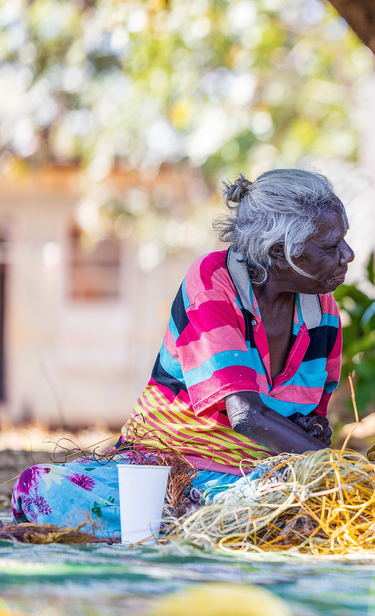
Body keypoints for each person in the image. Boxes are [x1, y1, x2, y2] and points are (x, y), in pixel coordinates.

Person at [13, 169, 354, 536]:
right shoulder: (213, 281)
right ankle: (202, 521)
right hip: (166, 468)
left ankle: (190, 523)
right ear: (279, 252)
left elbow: (312, 423)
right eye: (330, 246)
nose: (347, 255)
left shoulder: (323, 311)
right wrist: (347, 472)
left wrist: (315, 431)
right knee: (40, 488)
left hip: (253, 480)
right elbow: (246, 415)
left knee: (283, 504)